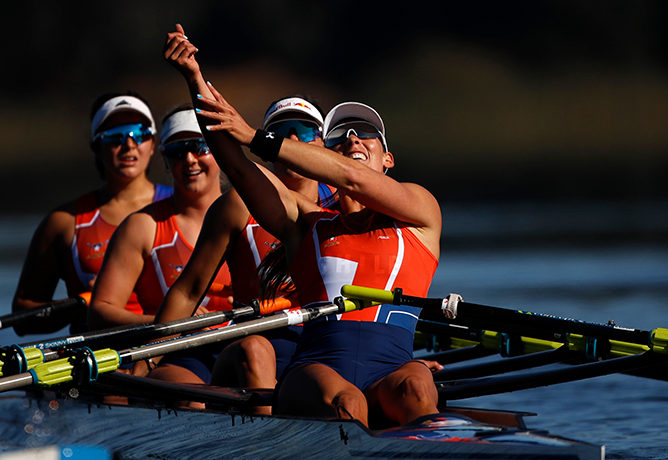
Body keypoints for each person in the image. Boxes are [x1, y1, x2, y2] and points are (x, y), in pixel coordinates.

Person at [166, 25, 443, 428]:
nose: (353, 140)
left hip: (393, 366)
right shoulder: (303, 223)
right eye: (341, 138)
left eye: (366, 135)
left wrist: (255, 136)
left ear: (388, 161)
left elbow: (355, 179)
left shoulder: (421, 213)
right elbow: (239, 168)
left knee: (417, 390)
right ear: (327, 157)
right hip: (316, 370)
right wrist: (194, 78)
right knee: (348, 403)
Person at [87, 104, 229, 388]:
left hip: (238, 345)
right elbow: (99, 313)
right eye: (176, 151)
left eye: (199, 146)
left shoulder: (249, 215)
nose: (189, 160)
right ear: (164, 161)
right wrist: (169, 321)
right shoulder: (141, 227)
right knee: (194, 396)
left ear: (219, 152)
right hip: (169, 356)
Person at [12, 92, 172, 336]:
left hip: (170, 344)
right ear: (96, 148)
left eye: (139, 133)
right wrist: (84, 304)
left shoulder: (183, 206)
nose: (129, 144)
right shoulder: (64, 222)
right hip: (100, 355)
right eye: (115, 136)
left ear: (153, 144)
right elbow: (22, 317)